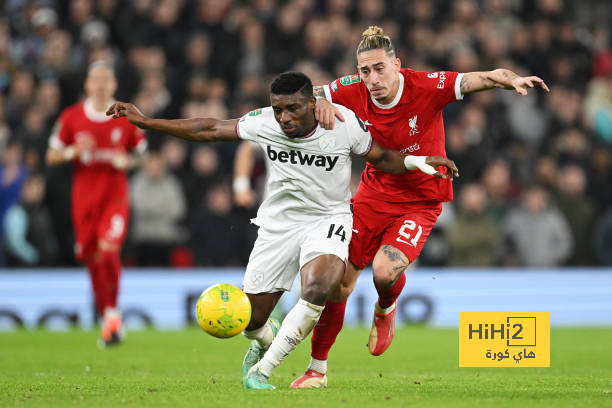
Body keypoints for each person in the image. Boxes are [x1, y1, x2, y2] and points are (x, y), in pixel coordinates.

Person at [106, 71, 458, 389]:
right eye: (278, 109)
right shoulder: (265, 123)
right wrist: (147, 122)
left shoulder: (342, 124)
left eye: (292, 109)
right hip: (278, 225)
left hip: (329, 219)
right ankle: (264, 339)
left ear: (312, 103)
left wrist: (416, 161)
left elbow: (382, 158)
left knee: (320, 286)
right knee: (252, 320)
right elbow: (209, 128)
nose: (284, 117)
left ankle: (264, 372)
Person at [290, 26, 549, 388]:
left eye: (380, 68)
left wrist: (512, 79)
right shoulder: (351, 88)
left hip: (422, 200)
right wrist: (319, 99)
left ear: (397, 64)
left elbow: (485, 77)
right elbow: (308, 93)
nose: (373, 78)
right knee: (339, 286)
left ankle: (386, 307)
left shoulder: (426, 86)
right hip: (373, 195)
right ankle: (317, 369)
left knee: (383, 271)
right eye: (365, 71)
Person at [45, 61, 147, 347]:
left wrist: (128, 161)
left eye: (106, 79)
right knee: (92, 259)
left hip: (114, 196)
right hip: (84, 199)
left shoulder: (125, 117)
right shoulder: (71, 117)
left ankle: (112, 315)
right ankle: (109, 318)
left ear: (113, 85)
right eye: (96, 80)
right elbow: (51, 156)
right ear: (87, 85)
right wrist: (72, 152)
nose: (101, 85)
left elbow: (143, 155)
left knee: (108, 250)